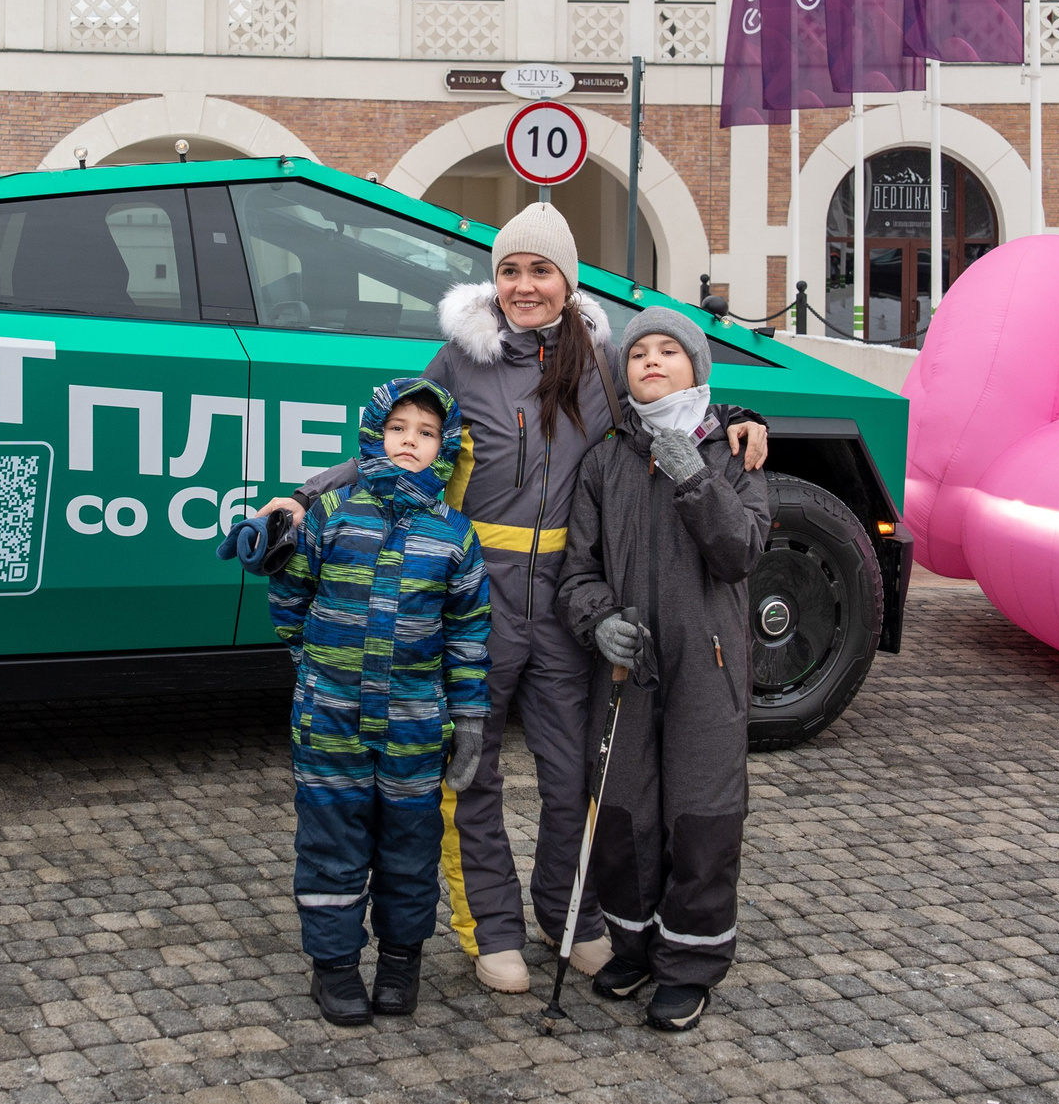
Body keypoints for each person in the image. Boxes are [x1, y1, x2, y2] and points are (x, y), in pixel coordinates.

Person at [263, 205, 770, 995]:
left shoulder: (602, 359)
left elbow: (668, 407)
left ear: (568, 280)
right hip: (477, 596)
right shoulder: (461, 361)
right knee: (472, 768)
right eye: (510, 271)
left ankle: (572, 913)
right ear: (493, 279)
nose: (524, 286)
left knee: (576, 773)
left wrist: (742, 420)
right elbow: (397, 445)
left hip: (567, 601)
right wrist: (305, 496)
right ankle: (491, 924)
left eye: (541, 270)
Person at [558, 307, 770, 1032]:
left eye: (669, 351)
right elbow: (577, 571)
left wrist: (694, 477)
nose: (651, 360)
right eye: (639, 351)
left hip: (707, 675)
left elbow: (740, 551)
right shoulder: (605, 460)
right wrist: (597, 621)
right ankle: (637, 946)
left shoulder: (735, 456)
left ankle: (690, 965)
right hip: (626, 673)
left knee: (702, 820)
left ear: (697, 370)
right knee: (624, 816)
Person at [267, 379, 490, 1025]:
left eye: (425, 433)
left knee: (409, 847)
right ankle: (333, 968)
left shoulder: (454, 536)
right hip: (329, 719)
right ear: (373, 436)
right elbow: (290, 593)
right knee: (332, 842)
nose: (409, 442)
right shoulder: (335, 514)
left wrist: (469, 718)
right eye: (398, 430)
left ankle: (400, 963)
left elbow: (469, 634)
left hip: (415, 727)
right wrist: (308, 660)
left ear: (444, 447)